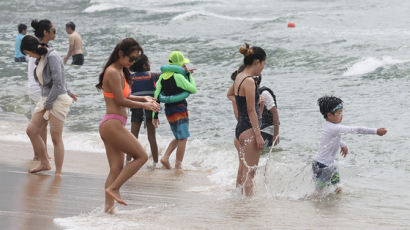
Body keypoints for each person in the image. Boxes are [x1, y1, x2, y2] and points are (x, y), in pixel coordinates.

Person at [96, 38, 160, 213]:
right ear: (120, 54)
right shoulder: (112, 72)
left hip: (113, 125)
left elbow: (125, 96)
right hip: (112, 124)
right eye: (131, 59)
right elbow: (119, 100)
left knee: (116, 168)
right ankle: (115, 188)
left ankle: (108, 210)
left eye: (135, 60)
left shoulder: (120, 71)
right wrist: (145, 105)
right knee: (141, 156)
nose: (133, 63)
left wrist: (143, 98)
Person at [21, 35, 77, 175]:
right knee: (31, 130)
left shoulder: (52, 56)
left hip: (57, 100)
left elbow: (59, 83)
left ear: (33, 49)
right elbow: (56, 79)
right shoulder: (41, 57)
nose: (30, 57)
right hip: (46, 99)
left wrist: (52, 102)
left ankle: (58, 173)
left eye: (29, 53)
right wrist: (48, 102)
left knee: (55, 137)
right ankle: (45, 163)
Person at [313, 95, 387, 193]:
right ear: (329, 115)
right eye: (339, 113)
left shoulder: (329, 126)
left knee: (338, 188)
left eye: (341, 112)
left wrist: (342, 144)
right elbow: (357, 129)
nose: (341, 115)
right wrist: (375, 131)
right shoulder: (334, 128)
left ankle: (333, 206)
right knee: (319, 192)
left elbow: (331, 138)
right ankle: (316, 206)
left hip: (330, 165)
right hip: (322, 166)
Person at [227, 43, 266, 196]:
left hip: (240, 128)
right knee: (250, 173)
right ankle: (247, 207)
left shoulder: (239, 77)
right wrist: (258, 134)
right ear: (257, 62)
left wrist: (238, 108)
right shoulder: (249, 81)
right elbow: (251, 110)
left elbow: (230, 95)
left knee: (243, 169)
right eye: (263, 64)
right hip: (249, 130)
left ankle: (238, 199)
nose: (263, 67)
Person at [152, 51, 197, 170]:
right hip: (180, 109)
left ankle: (165, 157)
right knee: (183, 138)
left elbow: (156, 96)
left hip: (169, 111)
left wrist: (154, 115)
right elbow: (193, 89)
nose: (184, 66)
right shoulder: (178, 76)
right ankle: (178, 165)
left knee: (178, 137)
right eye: (183, 64)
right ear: (179, 64)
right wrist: (190, 75)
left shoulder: (162, 77)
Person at [28, 19, 56, 161]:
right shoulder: (41, 49)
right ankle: (41, 155)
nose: (55, 33)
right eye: (53, 30)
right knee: (41, 125)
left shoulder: (37, 47)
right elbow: (42, 74)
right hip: (38, 90)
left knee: (38, 124)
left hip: (34, 89)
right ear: (45, 32)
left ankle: (39, 154)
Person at [126, 54, 161, 166]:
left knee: (133, 135)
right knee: (151, 136)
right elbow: (167, 74)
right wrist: (184, 71)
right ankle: (155, 162)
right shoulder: (153, 75)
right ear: (145, 65)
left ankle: (128, 160)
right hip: (150, 107)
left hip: (136, 107)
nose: (150, 64)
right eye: (148, 62)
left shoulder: (130, 77)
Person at [257, 76, 280, 148]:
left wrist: (276, 134)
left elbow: (274, 112)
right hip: (260, 129)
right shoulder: (253, 94)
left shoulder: (264, 94)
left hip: (268, 130)